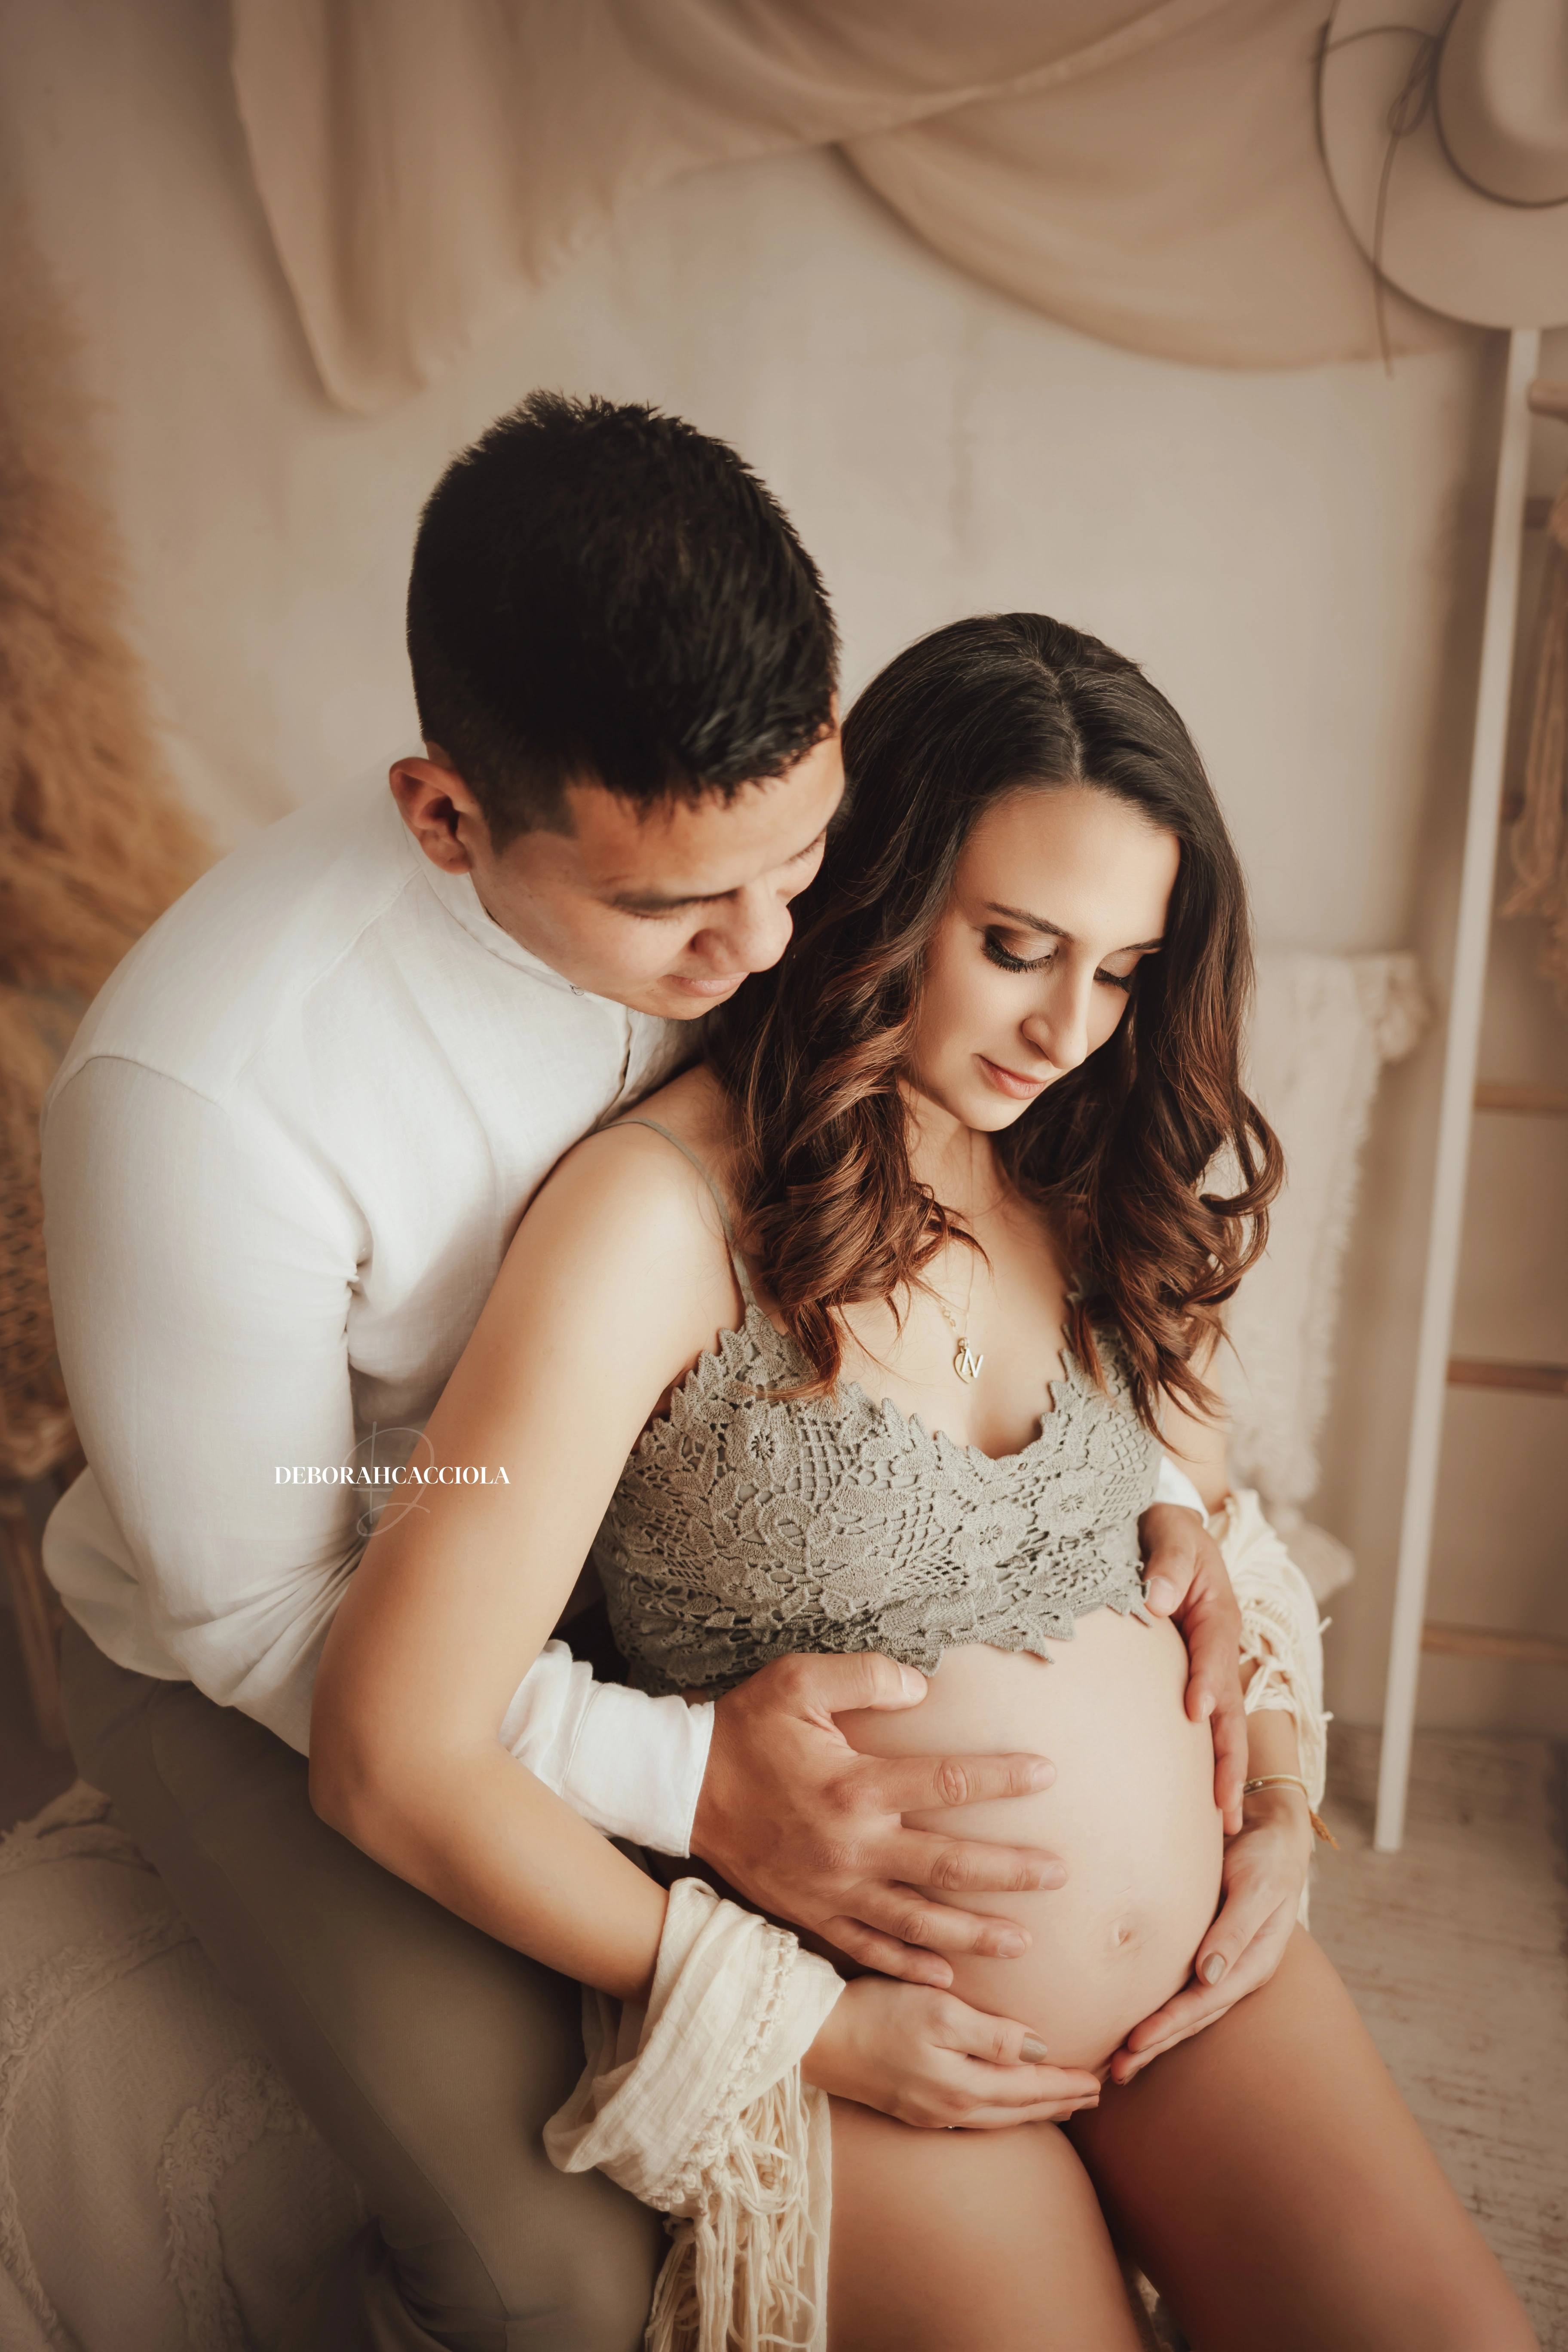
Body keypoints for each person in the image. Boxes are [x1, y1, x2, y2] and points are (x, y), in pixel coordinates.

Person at [40, 397, 1240, 2352]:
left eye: (808, 856)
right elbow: (289, 1629)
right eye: (682, 914)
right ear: (447, 818)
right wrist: (699, 1791)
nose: (776, 944)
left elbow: (1073, 1195)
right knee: (554, 2272)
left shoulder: (753, 862)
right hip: (284, 1613)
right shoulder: (206, 1103)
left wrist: (1171, 1510)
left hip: (585, 1550)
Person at [312, 612, 1539, 2352]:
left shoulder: (1086, 1174)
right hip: (875, 2033)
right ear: (878, 886)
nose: (1069, 1025)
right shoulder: (656, 1223)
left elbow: (1219, 1544)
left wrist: (1272, 1799)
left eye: (1120, 970)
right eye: (1017, 945)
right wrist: (800, 2029)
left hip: (1203, 1983)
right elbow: (388, 1743)